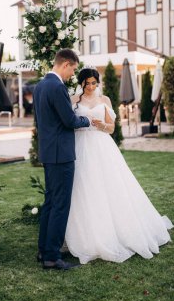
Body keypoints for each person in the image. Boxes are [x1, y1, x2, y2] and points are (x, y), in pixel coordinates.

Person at [65, 67, 173, 264]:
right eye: (87, 83)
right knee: (83, 187)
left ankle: (116, 229)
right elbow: (66, 122)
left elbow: (112, 128)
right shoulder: (73, 100)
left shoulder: (104, 100)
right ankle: (84, 232)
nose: (90, 87)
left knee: (110, 186)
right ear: (81, 83)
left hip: (101, 145)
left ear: (98, 83)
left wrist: (101, 125)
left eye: (93, 83)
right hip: (80, 145)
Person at [33, 49, 90, 270]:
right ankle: (52, 256)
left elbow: (41, 121)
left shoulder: (40, 86)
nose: (72, 74)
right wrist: (86, 120)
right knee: (60, 205)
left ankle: (43, 249)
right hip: (61, 155)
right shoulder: (57, 86)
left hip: (49, 152)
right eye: (73, 69)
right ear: (65, 64)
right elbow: (69, 120)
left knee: (50, 202)